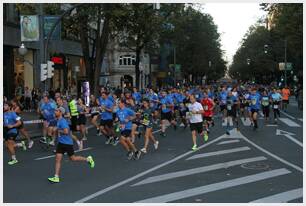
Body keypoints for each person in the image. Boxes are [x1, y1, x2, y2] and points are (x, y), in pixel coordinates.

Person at [48, 107, 95, 183]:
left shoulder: (63, 121)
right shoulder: (59, 120)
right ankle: (56, 177)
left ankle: (88, 159)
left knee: (73, 158)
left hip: (67, 143)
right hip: (61, 143)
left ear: (60, 112)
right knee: (57, 159)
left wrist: (57, 130)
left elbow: (66, 132)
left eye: (56, 111)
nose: (55, 112)